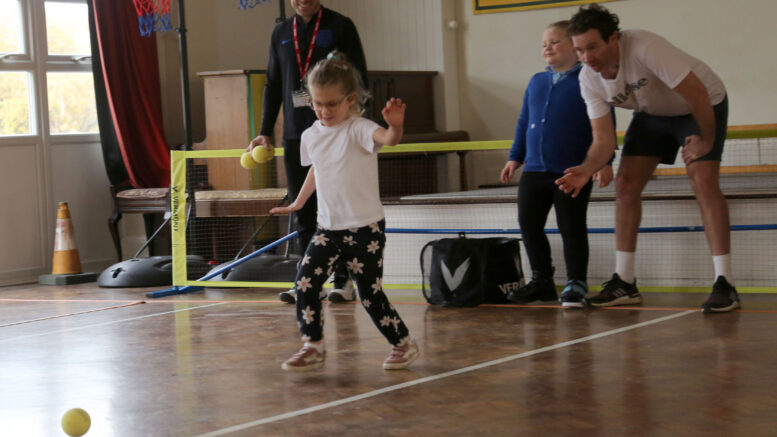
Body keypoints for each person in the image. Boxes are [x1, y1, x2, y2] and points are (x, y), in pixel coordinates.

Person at [555, 4, 738, 313]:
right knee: (625, 184)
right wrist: (587, 168)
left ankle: (725, 283)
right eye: (579, 50)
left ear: (614, 39)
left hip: (699, 106)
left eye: (593, 47)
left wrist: (706, 139)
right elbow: (603, 140)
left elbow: (697, 93)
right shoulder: (589, 79)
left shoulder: (644, 47)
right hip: (652, 113)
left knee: (703, 179)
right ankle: (624, 281)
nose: (587, 58)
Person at [270, 53, 419, 371]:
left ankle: (401, 342)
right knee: (306, 283)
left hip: (365, 228)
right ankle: (313, 344)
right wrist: (298, 201)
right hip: (328, 228)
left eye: (332, 104)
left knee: (369, 293)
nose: (324, 111)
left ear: (350, 100)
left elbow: (389, 140)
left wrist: (395, 126)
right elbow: (317, 171)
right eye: (318, 104)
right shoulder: (311, 135)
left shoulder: (359, 129)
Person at [247, 0, 368, 304]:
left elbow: (359, 77)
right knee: (304, 212)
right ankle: (307, 279)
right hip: (296, 135)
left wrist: (355, 124)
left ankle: (343, 281)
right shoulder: (280, 32)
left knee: (336, 209)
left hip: (335, 132)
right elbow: (273, 84)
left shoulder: (341, 26)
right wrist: (264, 130)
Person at [500, 21, 613, 309]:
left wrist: (604, 161)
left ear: (574, 48)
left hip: (572, 172)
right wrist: (516, 156)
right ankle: (541, 280)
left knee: (571, 225)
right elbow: (524, 120)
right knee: (529, 224)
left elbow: (604, 126)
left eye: (554, 42)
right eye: (543, 44)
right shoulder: (537, 81)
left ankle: (576, 282)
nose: (547, 47)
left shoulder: (589, 79)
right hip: (535, 170)